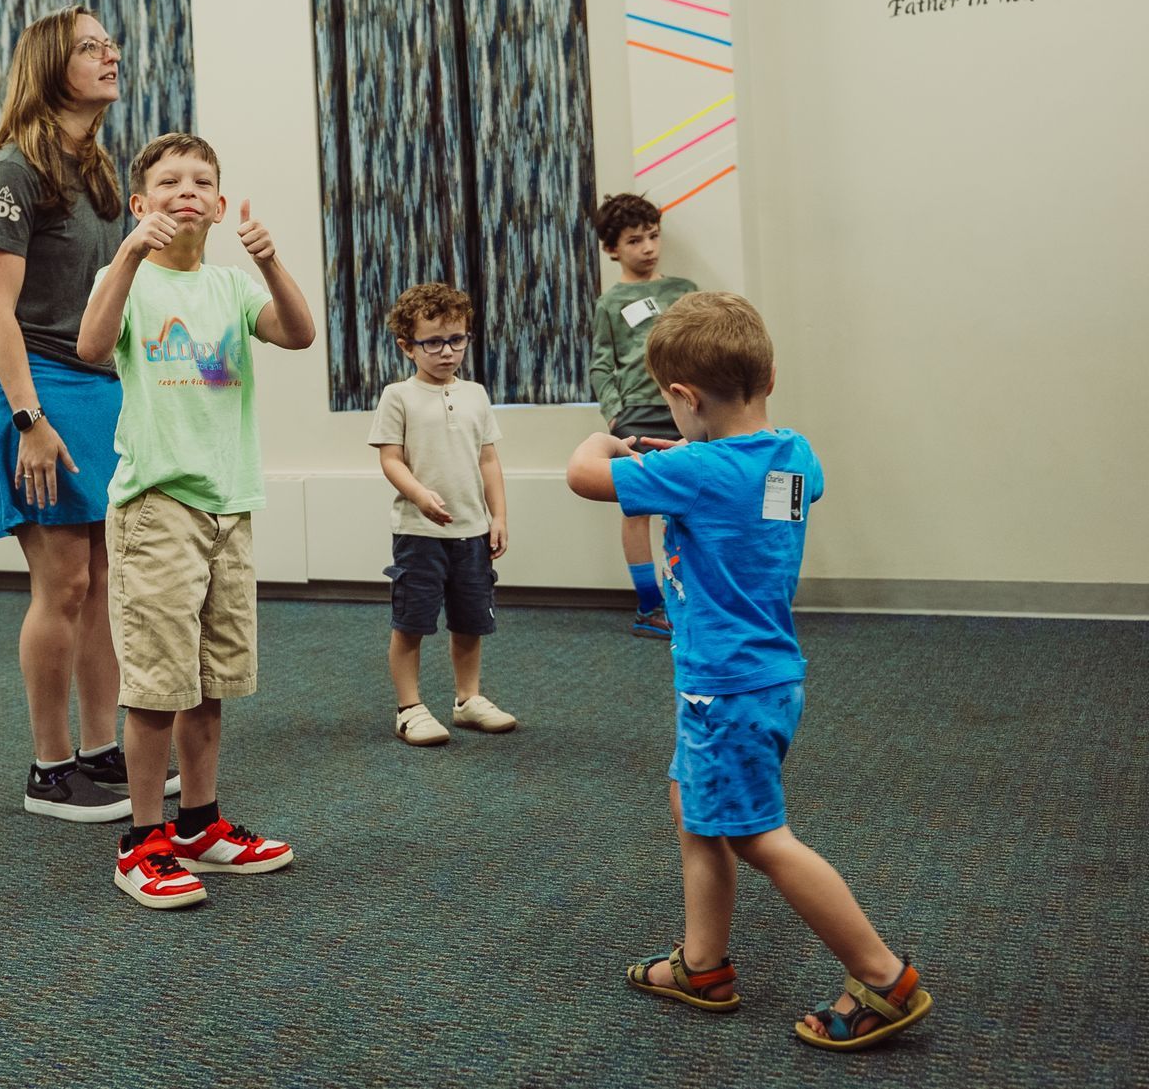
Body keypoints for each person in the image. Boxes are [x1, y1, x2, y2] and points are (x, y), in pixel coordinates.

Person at [566, 291, 933, 1052]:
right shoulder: (794, 455)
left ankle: (882, 975)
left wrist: (610, 439)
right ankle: (702, 965)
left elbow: (584, 476)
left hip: (723, 684)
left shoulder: (696, 469)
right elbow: (762, 496)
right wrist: (684, 460)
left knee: (760, 837)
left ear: (682, 398)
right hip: (767, 675)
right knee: (692, 805)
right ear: (770, 374)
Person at [76, 132, 315, 910]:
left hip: (229, 505)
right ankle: (142, 841)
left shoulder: (231, 288)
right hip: (157, 508)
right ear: (141, 205)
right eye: (168, 182)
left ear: (218, 204)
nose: (187, 190)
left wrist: (269, 258)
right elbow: (87, 345)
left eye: (201, 181)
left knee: (209, 681)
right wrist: (126, 256)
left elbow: (299, 331)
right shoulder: (132, 283)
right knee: (155, 686)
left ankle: (198, 824)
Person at [0, 6, 179, 822]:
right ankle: (49, 768)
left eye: (110, 44)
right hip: (35, 391)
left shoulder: (96, 169)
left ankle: (99, 748)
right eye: (90, 47)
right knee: (63, 583)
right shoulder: (11, 173)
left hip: (97, 391)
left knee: (104, 581)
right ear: (52, 64)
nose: (109, 54)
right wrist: (28, 421)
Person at [367, 282, 518, 746]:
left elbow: (488, 459)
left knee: (471, 620)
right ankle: (409, 707)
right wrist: (419, 494)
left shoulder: (475, 393)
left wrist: (499, 516)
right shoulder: (399, 396)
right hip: (419, 533)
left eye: (457, 339)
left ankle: (467, 699)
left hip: (472, 533)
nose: (447, 351)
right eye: (433, 342)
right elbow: (390, 458)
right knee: (412, 622)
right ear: (406, 346)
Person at [587, 193, 696, 639]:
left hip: (688, 412)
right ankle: (649, 606)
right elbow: (601, 364)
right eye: (635, 240)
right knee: (637, 510)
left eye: (653, 236)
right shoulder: (609, 303)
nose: (648, 247)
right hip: (637, 414)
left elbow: (703, 346)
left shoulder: (684, 291)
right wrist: (616, 416)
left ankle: (695, 598)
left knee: (694, 503)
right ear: (613, 249)